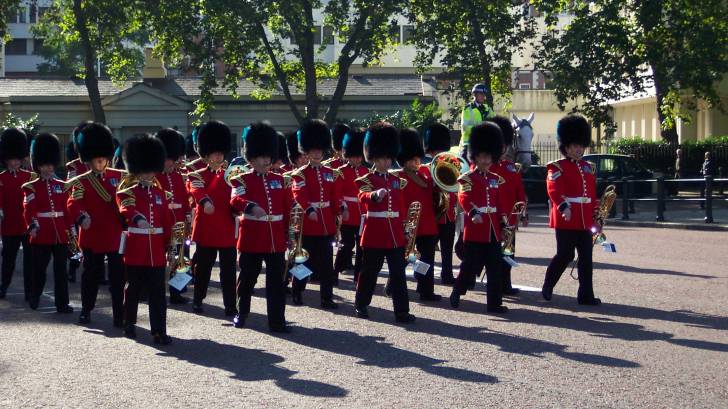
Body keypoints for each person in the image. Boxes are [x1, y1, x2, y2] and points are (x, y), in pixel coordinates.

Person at [230, 122, 291, 333]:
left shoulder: (280, 180)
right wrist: (250, 206)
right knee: (247, 279)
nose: (266, 161)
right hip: (252, 237)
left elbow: (287, 208)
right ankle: (241, 313)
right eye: (261, 157)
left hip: (275, 239)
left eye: (268, 157)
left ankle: (277, 320)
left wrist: (289, 233)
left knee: (277, 282)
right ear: (251, 158)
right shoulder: (241, 179)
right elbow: (235, 200)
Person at [353, 122, 415, 323]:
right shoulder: (366, 179)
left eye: (389, 158)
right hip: (375, 233)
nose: (386, 162)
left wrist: (405, 228)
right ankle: (361, 303)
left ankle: (401, 311)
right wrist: (374, 195)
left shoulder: (397, 180)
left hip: (395, 233)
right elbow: (362, 197)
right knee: (370, 272)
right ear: (373, 157)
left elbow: (401, 207)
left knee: (398, 273)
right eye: (382, 158)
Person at [66, 122, 127, 326]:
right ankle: (86, 310)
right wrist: (81, 217)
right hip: (92, 235)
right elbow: (73, 202)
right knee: (90, 277)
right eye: (96, 159)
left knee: (118, 278)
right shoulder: (81, 181)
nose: (100, 162)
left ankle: (119, 314)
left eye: (102, 159)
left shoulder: (120, 177)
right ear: (89, 160)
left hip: (115, 235)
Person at [117, 135, 173, 344]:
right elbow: (126, 210)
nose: (149, 174)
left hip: (156, 251)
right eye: (145, 170)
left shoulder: (161, 194)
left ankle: (159, 330)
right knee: (133, 289)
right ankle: (129, 323)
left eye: (151, 170)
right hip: (136, 248)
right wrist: (138, 220)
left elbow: (166, 222)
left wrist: (171, 246)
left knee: (158, 292)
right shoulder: (127, 192)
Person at [449, 122, 509, 314]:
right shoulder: (467, 178)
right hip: (475, 231)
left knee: (495, 268)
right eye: (482, 157)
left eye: (488, 157)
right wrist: (473, 213)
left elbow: (498, 204)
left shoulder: (494, 179)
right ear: (475, 157)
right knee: (469, 266)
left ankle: (494, 304)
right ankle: (457, 291)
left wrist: (503, 222)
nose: (485, 161)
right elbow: (464, 197)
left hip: (492, 232)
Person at [542, 114, 601, 306]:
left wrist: (597, 215)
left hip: (585, 221)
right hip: (566, 219)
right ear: (566, 147)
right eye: (575, 146)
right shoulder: (556, 167)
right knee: (565, 255)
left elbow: (591, 194)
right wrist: (563, 206)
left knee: (586, 258)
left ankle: (586, 295)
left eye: (581, 146)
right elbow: (553, 189)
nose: (579, 149)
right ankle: (548, 284)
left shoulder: (588, 168)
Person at [289, 119, 343, 309]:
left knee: (327, 264)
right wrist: (309, 209)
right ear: (307, 151)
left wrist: (339, 211)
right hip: (308, 225)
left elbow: (334, 195)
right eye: (313, 150)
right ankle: (297, 290)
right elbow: (298, 193)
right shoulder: (300, 173)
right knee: (304, 261)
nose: (317, 153)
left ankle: (326, 298)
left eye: (319, 150)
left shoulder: (331, 173)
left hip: (326, 223)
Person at [187, 120, 238, 316]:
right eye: (214, 153)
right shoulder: (197, 174)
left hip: (226, 227)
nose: (218, 156)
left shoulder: (231, 175)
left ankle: (230, 305)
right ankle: (198, 300)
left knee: (228, 271)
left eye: (220, 153)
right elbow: (196, 190)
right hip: (206, 228)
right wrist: (205, 202)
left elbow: (238, 193)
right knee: (203, 269)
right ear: (206, 155)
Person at [23, 133, 75, 313]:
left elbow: (66, 210)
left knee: (61, 271)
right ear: (39, 166)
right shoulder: (31, 187)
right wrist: (33, 224)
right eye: (45, 165)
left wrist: (71, 229)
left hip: (60, 232)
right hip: (42, 233)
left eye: (51, 165)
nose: (48, 168)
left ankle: (62, 303)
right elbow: (29, 209)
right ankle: (35, 295)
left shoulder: (62, 185)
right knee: (39, 269)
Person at [394, 128, 441, 302]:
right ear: (404, 160)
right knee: (405, 258)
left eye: (417, 159)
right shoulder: (399, 177)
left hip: (427, 224)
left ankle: (425, 289)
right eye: (413, 160)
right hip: (410, 225)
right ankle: (393, 284)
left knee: (426, 259)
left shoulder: (425, 176)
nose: (417, 162)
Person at [489, 115, 528, 296]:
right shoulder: (484, 167)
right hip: (492, 218)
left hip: (510, 219)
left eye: (505, 146)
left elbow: (520, 192)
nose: (503, 150)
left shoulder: (512, 168)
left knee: (509, 252)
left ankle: (506, 284)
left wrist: (523, 213)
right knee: (490, 254)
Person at [155, 128, 192, 304]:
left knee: (179, 260)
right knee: (158, 262)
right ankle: (155, 292)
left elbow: (184, 199)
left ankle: (177, 293)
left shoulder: (177, 177)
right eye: (168, 159)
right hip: (160, 225)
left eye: (172, 158)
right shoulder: (153, 177)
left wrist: (187, 216)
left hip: (177, 225)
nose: (171, 162)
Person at [0, 128, 34, 300]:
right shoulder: (1, 178)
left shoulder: (30, 177)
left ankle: (29, 291)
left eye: (16, 160)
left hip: (27, 225)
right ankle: (3, 286)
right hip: (9, 225)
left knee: (30, 261)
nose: (14, 163)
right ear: (6, 160)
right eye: (11, 160)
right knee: (8, 260)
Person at [423, 122, 457, 285]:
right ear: (430, 151)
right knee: (426, 251)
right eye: (436, 151)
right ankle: (421, 276)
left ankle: (447, 274)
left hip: (448, 214)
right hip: (432, 215)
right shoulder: (425, 169)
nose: (439, 153)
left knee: (447, 248)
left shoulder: (452, 167)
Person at [333, 128, 367, 283]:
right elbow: (337, 194)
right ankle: (334, 272)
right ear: (348, 155)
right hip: (348, 214)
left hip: (362, 215)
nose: (358, 159)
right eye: (355, 156)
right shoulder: (340, 172)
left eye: (359, 156)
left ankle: (358, 277)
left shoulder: (365, 171)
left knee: (362, 247)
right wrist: (343, 208)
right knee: (346, 245)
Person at [459, 83, 494, 158]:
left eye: (484, 94)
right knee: (464, 159)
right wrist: (480, 130)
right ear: (474, 94)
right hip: (469, 143)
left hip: (485, 143)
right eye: (480, 94)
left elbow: (495, 123)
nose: (483, 96)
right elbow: (465, 127)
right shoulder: (468, 109)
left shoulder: (488, 108)